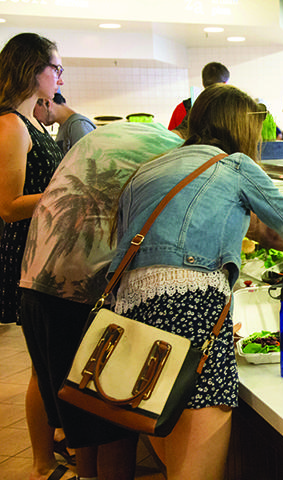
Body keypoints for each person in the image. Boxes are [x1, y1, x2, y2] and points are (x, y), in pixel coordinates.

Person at [108, 83, 283, 480]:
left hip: (129, 309)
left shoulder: (152, 167)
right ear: (244, 129)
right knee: (198, 470)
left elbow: (262, 232)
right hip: (190, 307)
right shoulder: (235, 165)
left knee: (169, 449)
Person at [20, 121, 188, 480]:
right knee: (112, 422)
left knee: (83, 417)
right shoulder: (178, 153)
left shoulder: (131, 133)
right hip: (80, 288)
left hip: (37, 277)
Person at [0, 32, 70, 480]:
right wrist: (65, 193)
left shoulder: (33, 121)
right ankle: (42, 466)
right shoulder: (9, 125)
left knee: (47, 364)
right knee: (40, 367)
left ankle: (53, 450)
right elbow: (8, 205)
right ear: (32, 70)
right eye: (56, 68)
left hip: (43, 254)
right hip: (26, 258)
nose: (61, 76)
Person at [168, 61, 229, 131]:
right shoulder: (232, 108)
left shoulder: (182, 108)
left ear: (203, 82)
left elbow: (170, 137)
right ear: (225, 83)